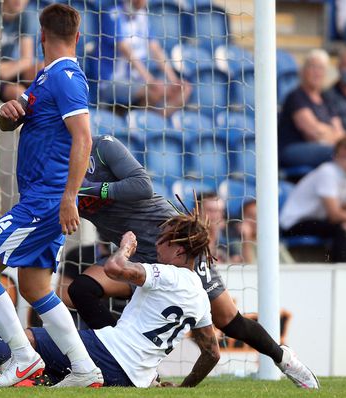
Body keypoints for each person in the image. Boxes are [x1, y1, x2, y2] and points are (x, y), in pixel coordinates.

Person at [0, 4, 102, 388]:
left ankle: (24, 358)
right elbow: (11, 121)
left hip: (46, 198)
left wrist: (69, 197)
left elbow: (84, 138)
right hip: (44, 196)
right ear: (78, 36)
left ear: (41, 37)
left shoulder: (66, 77)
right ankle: (84, 369)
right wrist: (8, 115)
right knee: (34, 287)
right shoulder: (45, 79)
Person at [63, 136, 319, 389]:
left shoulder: (103, 147)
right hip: (134, 250)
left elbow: (142, 186)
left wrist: (92, 188)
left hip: (174, 242)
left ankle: (284, 359)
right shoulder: (56, 170)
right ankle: (124, 363)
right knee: (81, 289)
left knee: (229, 321)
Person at [0, 215, 221, 388]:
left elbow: (115, 268)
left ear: (179, 251)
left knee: (20, 341)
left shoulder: (167, 274)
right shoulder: (201, 298)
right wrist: (186, 388)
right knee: (41, 368)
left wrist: (126, 247)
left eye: (164, 240)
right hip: (133, 378)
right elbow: (211, 352)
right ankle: (34, 381)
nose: (158, 244)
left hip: (109, 353)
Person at [97, 0, 191, 116]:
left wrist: (174, 80)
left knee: (183, 89)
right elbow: (125, 50)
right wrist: (150, 81)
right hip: (110, 80)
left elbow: (155, 49)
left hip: (136, 79)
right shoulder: (113, 13)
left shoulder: (143, 15)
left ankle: (152, 121)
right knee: (154, 91)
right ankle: (141, 124)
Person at [279, 49, 345, 170]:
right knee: (340, 153)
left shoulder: (327, 98)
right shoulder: (296, 96)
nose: (317, 72)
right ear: (303, 71)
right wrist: (331, 132)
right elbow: (312, 133)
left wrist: (325, 132)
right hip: (293, 148)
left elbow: (340, 134)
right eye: (313, 67)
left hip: (322, 146)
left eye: (321, 68)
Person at [0, 0, 39, 101]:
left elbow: (27, 59)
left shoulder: (23, 17)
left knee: (42, 70)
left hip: (6, 70)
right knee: (20, 94)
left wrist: (7, 71)